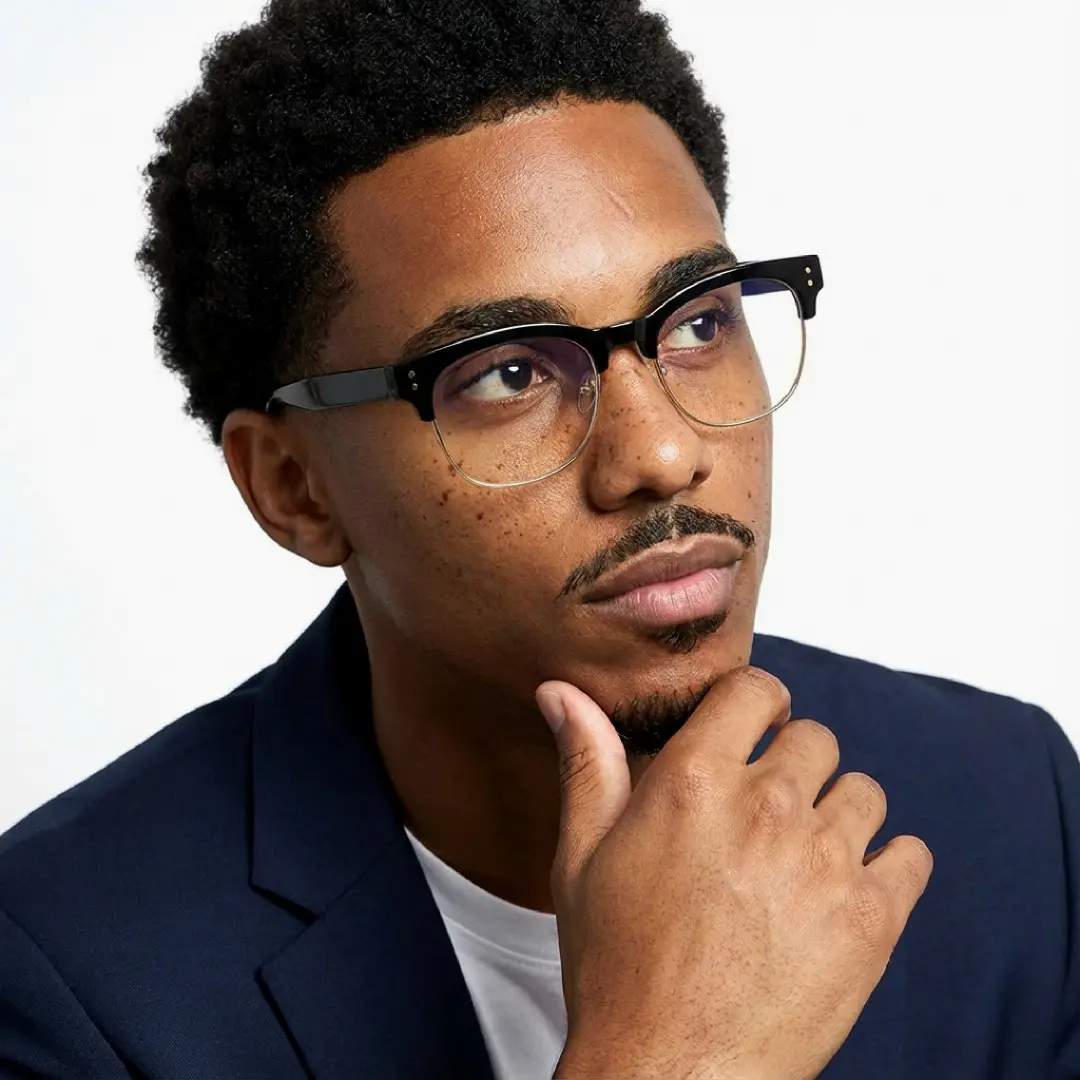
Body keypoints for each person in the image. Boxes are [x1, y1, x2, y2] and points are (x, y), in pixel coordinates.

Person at [0, 2, 1076, 1077]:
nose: (660, 454)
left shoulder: (1013, 806)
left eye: (699, 321)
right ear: (294, 487)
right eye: (506, 372)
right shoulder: (64, 975)